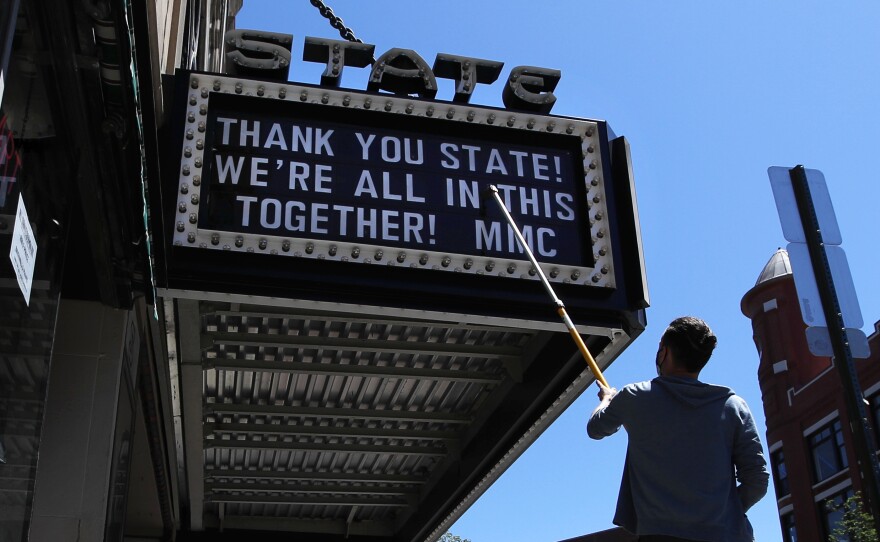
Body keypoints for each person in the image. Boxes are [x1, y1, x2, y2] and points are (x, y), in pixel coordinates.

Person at [587, 316, 769, 542]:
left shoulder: (635, 396)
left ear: (664, 352)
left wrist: (607, 399)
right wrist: (722, 511)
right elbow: (757, 480)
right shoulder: (733, 406)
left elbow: (595, 428)